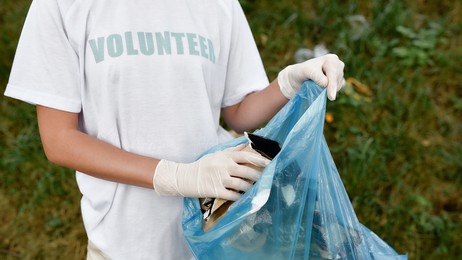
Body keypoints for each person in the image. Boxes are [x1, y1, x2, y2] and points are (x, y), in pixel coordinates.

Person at [4, 0, 344, 259]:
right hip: (126, 242)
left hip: (218, 237)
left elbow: (240, 113)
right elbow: (60, 140)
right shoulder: (62, 6)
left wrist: (289, 82)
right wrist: (178, 177)